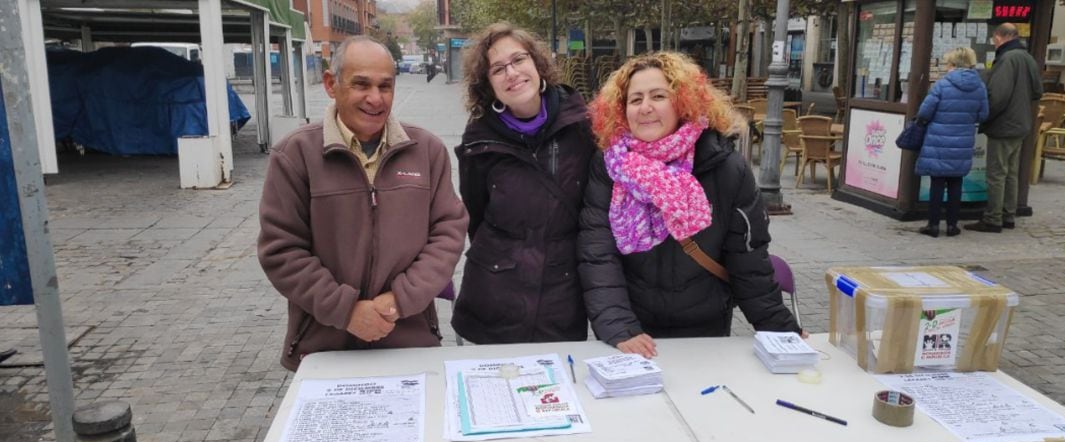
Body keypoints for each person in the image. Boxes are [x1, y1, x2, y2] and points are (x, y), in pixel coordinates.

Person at [257, 36, 468, 371]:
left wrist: (401, 299)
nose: (375, 98)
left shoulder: (426, 150)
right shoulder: (295, 155)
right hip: (324, 347)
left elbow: (448, 233)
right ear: (331, 84)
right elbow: (282, 250)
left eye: (385, 86)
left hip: (409, 340)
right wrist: (347, 310)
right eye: (361, 85)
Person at [579, 52, 802, 358]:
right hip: (632, 331)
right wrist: (619, 326)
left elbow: (748, 261)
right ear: (621, 109)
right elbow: (597, 253)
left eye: (659, 96)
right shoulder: (608, 165)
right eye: (635, 99)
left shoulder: (725, 167)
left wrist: (782, 331)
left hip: (705, 330)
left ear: (682, 102)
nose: (645, 108)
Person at [452, 23, 596, 344]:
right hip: (493, 297)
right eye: (498, 69)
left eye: (518, 60)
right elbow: (476, 216)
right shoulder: (478, 140)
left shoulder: (584, 127)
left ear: (537, 63)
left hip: (562, 299)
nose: (512, 73)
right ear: (488, 84)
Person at [965, 23, 1042, 233]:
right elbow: (1037, 91)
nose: (994, 42)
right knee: (1011, 173)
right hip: (1021, 124)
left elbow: (997, 96)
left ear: (1000, 37)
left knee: (997, 173)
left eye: (994, 39)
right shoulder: (1028, 57)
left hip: (1004, 125)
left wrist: (984, 116)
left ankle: (993, 218)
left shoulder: (1007, 59)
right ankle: (1009, 215)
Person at [915, 47, 988, 238]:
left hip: (938, 139)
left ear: (953, 64)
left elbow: (924, 112)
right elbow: (984, 114)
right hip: (963, 140)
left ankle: (933, 225)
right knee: (956, 182)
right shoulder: (979, 86)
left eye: (948, 63)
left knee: (937, 183)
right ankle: (952, 226)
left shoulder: (942, 84)